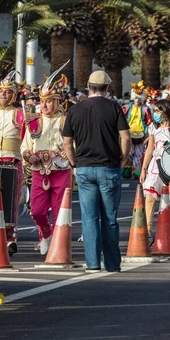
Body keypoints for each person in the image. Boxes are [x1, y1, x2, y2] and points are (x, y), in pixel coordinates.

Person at [62, 70, 131, 273]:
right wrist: (123, 159)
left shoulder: (75, 109)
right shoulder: (113, 107)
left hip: (84, 167)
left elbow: (67, 142)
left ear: (88, 86)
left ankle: (92, 263)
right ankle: (112, 263)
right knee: (109, 218)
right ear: (107, 88)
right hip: (109, 167)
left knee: (89, 218)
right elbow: (125, 137)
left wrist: (74, 163)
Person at [21, 71, 72, 256]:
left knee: (60, 212)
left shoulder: (66, 121)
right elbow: (25, 146)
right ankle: (46, 234)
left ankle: (59, 245)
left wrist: (64, 154)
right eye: (42, 101)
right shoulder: (34, 122)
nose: (44, 105)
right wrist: (28, 155)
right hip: (38, 171)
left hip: (60, 171)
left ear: (58, 102)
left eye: (49, 101)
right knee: (37, 211)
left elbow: (74, 146)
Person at [0, 71, 26, 255]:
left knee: (10, 202)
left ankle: (10, 237)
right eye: (1, 91)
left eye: (8, 91)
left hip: (12, 163)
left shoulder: (19, 114)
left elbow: (28, 137)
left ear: (14, 95)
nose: (3, 94)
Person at [139, 100, 170, 233]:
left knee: (169, 200)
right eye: (154, 110)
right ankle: (147, 231)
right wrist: (144, 169)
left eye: (157, 110)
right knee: (150, 197)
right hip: (155, 167)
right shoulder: (153, 128)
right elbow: (150, 150)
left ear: (165, 110)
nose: (155, 113)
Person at [125, 81, 151, 179]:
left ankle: (136, 172)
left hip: (141, 134)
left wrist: (147, 135)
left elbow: (148, 122)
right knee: (129, 152)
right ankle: (127, 171)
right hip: (129, 133)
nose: (137, 100)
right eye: (136, 98)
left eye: (139, 98)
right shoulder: (126, 107)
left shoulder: (145, 109)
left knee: (139, 153)